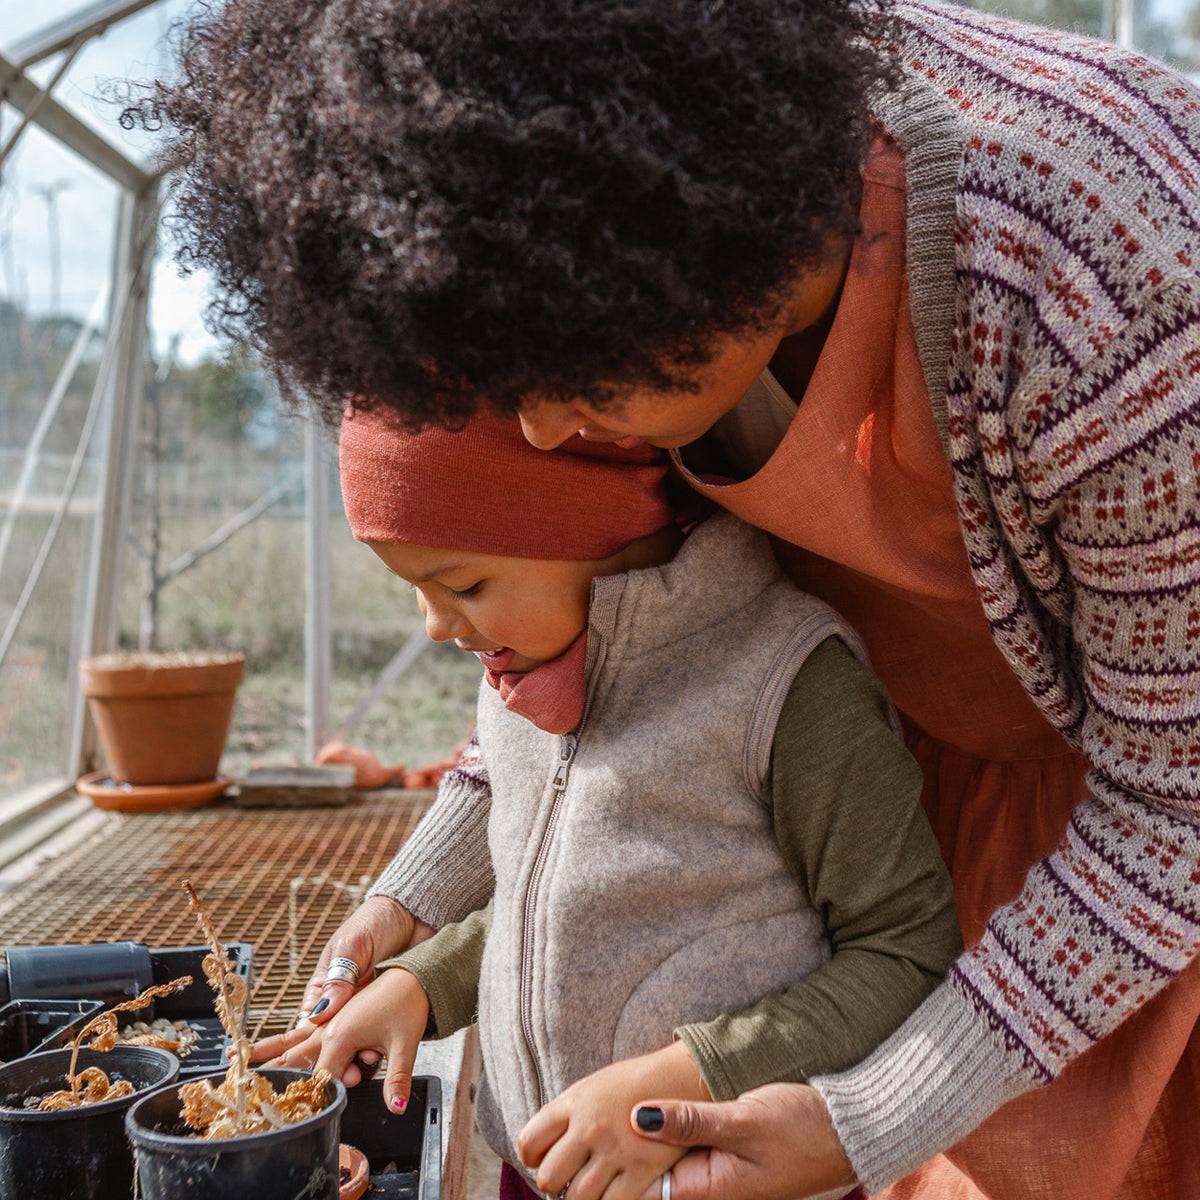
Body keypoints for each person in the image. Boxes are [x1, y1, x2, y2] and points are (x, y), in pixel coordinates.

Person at [143, 0, 1200, 1195]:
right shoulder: (620, 267)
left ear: (670, 226)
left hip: (1120, 880)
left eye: (556, 374)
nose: (542, 429)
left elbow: (1175, 818)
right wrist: (416, 911)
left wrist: (863, 1120)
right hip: (939, 817)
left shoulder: (1117, 278)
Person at [253, 407, 961, 1200]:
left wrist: (688, 1077)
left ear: (586, 522)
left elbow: (907, 951)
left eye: (463, 585)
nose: (436, 625)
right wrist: (420, 985)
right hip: (546, 1170)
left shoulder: (789, 685)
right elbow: (549, 909)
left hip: (720, 1180)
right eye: (415, 589)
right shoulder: (525, 679)